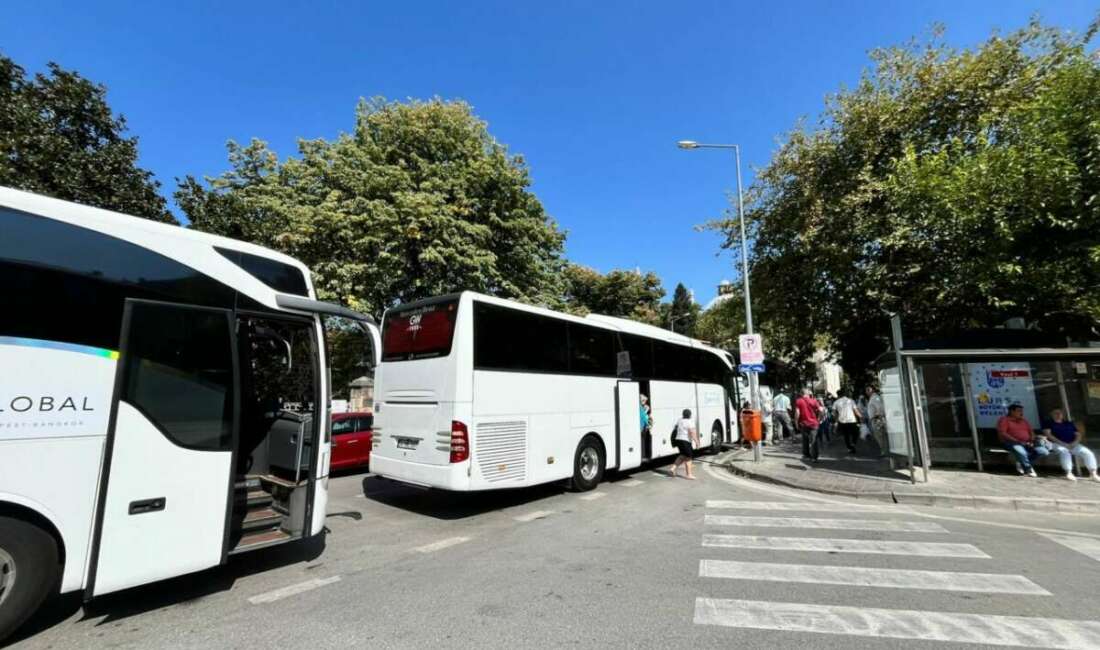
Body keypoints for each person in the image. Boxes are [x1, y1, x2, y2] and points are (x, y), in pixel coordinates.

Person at [1041, 408, 1100, 482]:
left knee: (1088, 453)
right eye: (1056, 413)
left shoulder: (1068, 423)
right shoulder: (1048, 423)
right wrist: (1063, 444)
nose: (1058, 415)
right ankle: (1069, 473)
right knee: (1064, 451)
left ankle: (1093, 474)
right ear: (1051, 415)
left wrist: (1075, 442)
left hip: (1072, 443)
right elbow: (1049, 435)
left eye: (1060, 413)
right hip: (1056, 444)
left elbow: (1078, 434)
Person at [997, 403, 1048, 477]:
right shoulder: (1004, 420)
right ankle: (1028, 470)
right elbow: (1003, 433)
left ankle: (1021, 462)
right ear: (1011, 411)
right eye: (1019, 411)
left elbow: (1031, 432)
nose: (1021, 413)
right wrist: (1017, 441)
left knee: (1043, 451)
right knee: (1022, 452)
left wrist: (1031, 440)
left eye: (1021, 411)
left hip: (1027, 442)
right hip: (1011, 442)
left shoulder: (1024, 421)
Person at [670, 408, 700, 479]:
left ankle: (673, 468)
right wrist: (697, 442)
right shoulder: (690, 422)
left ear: (683, 414)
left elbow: (675, 428)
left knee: (682, 456)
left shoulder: (679, 420)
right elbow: (692, 433)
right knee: (688, 458)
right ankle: (688, 475)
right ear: (690, 415)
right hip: (685, 441)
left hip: (678, 440)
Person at [795, 388, 824, 462]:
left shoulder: (799, 401)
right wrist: (819, 419)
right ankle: (814, 458)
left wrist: (796, 422)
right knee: (814, 441)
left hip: (804, 424)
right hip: (814, 423)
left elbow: (797, 413)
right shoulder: (814, 401)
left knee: (805, 440)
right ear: (808, 394)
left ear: (801, 393)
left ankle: (806, 455)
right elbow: (821, 410)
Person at [833, 389, 862, 455]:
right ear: (844, 394)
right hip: (852, 420)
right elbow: (856, 411)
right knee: (856, 433)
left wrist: (836, 421)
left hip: (842, 421)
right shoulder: (851, 401)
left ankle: (849, 448)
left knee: (846, 435)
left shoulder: (836, 402)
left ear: (838, 395)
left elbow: (834, 413)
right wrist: (861, 417)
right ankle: (853, 443)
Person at [861, 385, 886, 452]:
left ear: (873, 390)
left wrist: (877, 417)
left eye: (869, 390)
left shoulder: (875, 398)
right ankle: (884, 450)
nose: (867, 392)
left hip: (877, 420)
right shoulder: (872, 398)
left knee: (880, 436)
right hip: (875, 419)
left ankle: (884, 451)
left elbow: (880, 408)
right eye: (867, 390)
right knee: (879, 436)